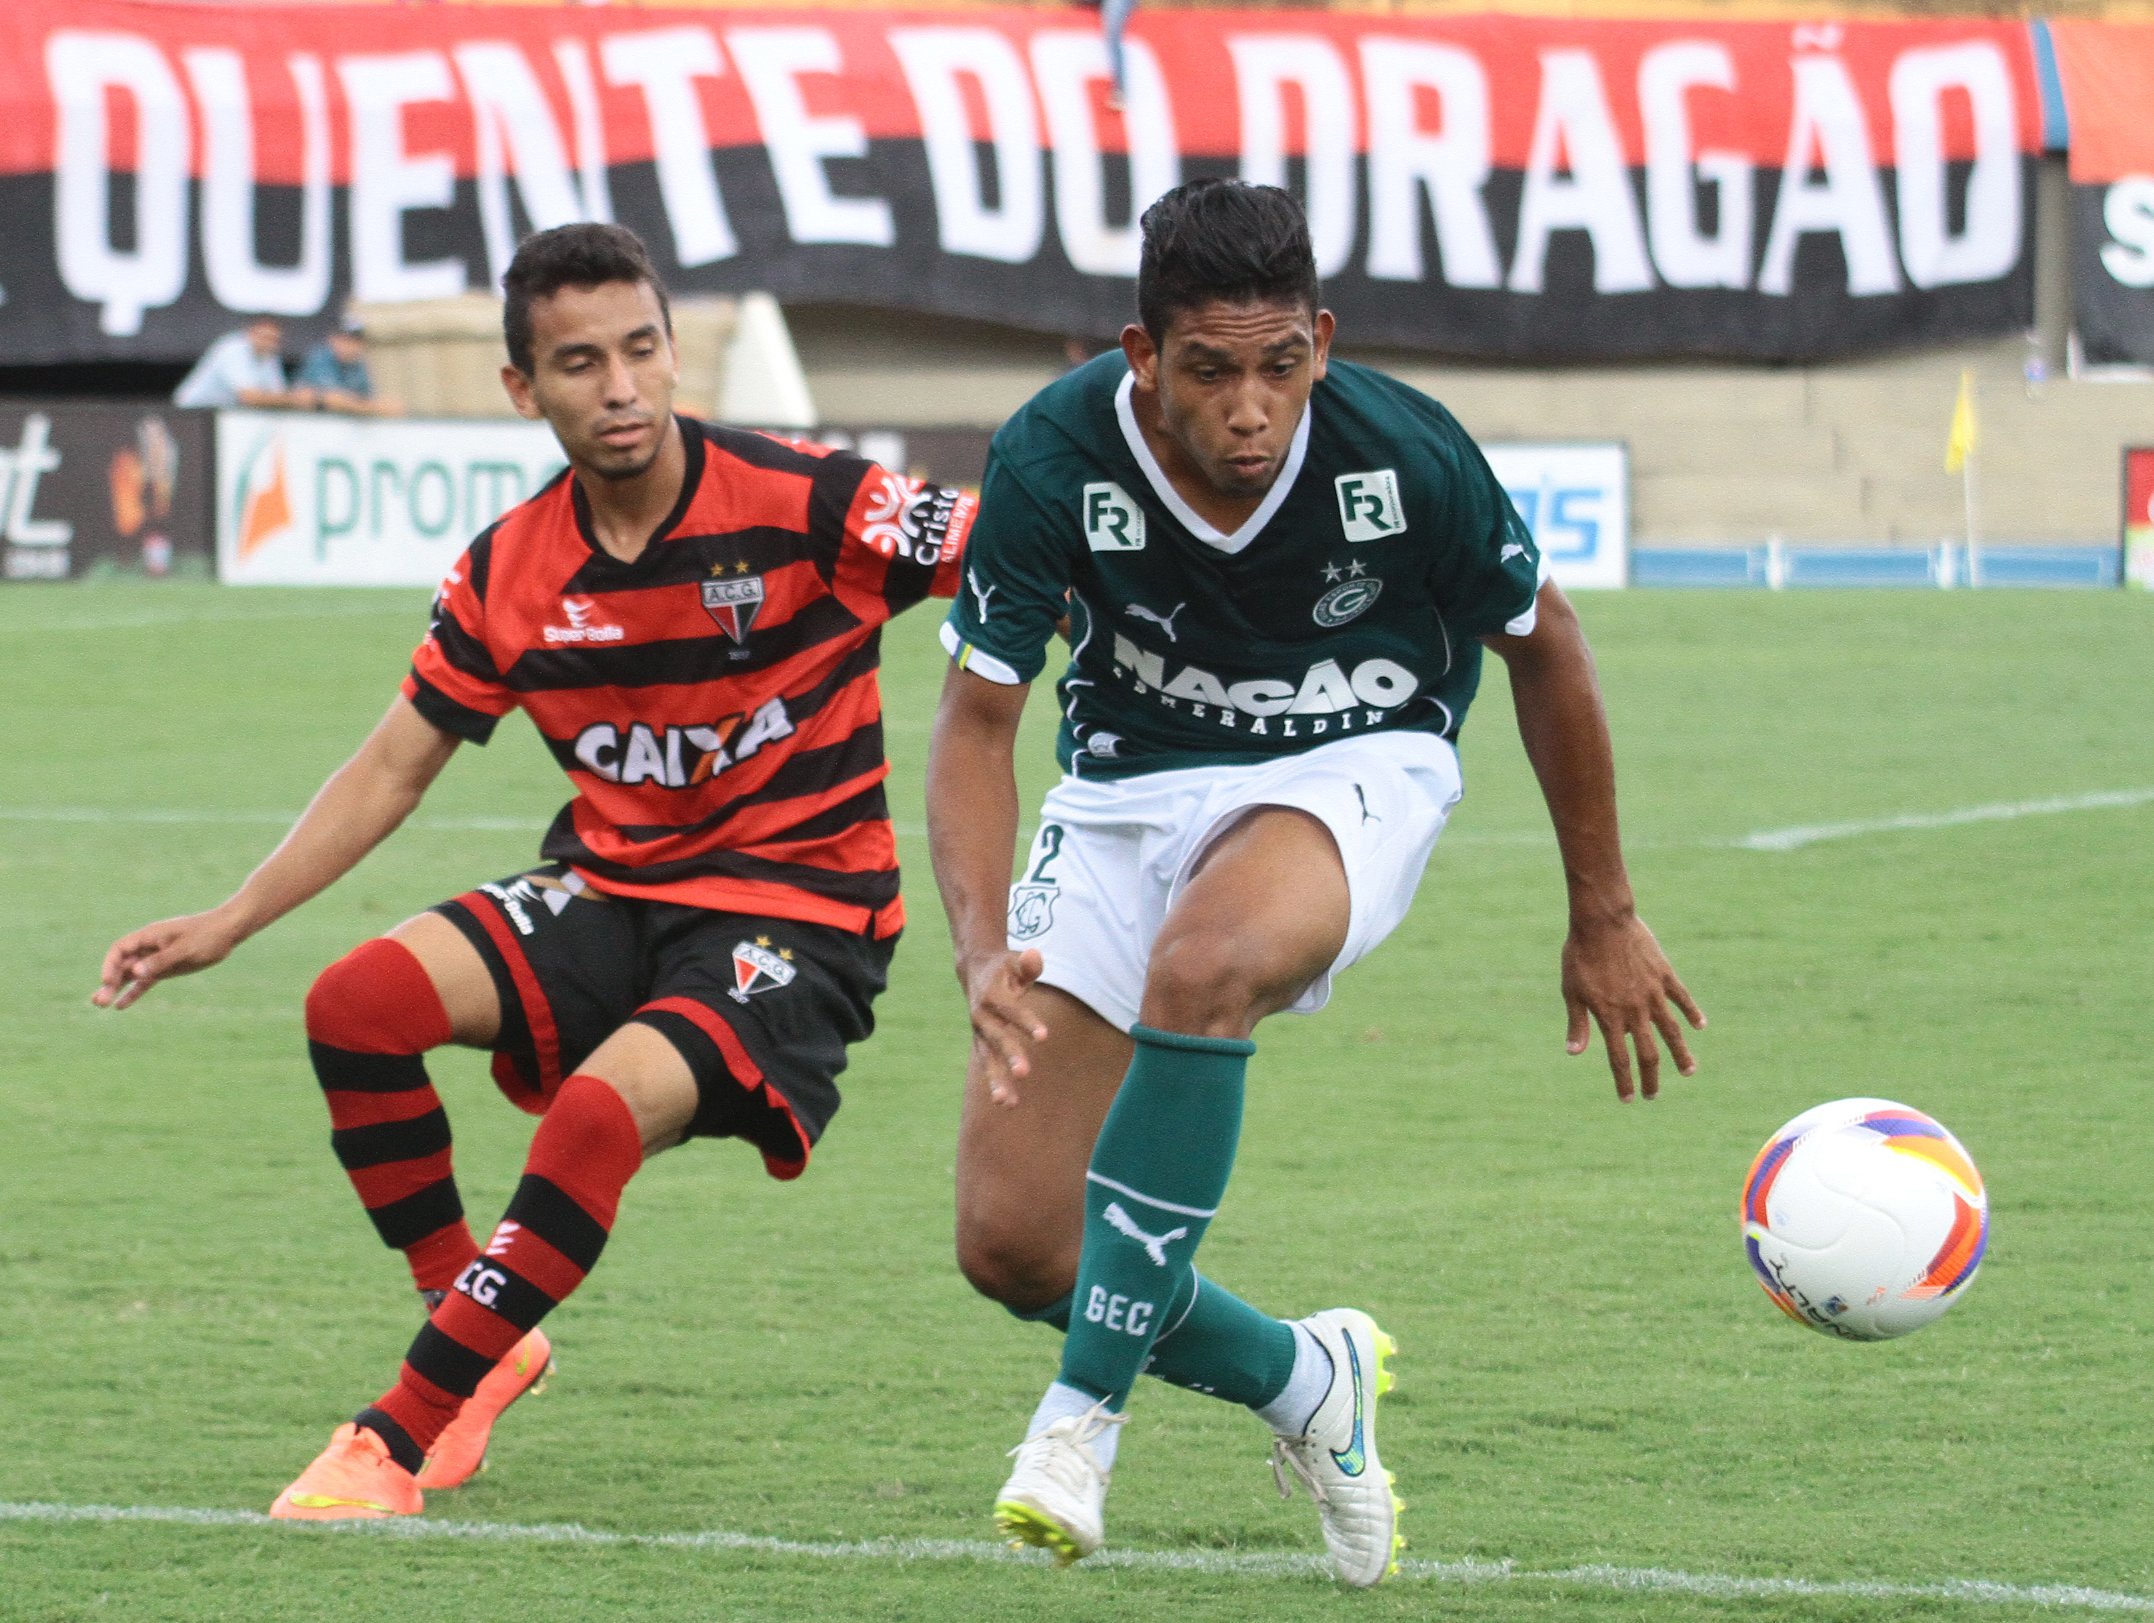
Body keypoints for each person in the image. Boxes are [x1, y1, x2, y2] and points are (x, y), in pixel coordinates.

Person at [95, 222, 974, 1521]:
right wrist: (233, 916)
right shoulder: (511, 570)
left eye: (640, 350)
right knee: (356, 1006)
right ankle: (488, 1331)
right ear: (524, 388)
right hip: (618, 888)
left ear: (675, 356)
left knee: (594, 1116)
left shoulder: (812, 500)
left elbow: (1017, 552)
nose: (618, 386)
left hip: (802, 906)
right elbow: (393, 765)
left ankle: (395, 1435)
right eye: (578, 362)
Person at [925, 179, 1704, 1587]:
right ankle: (1304, 1376)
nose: (1249, 407)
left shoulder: (1402, 451)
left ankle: (1076, 1419)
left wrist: (1601, 909)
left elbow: (1548, 644)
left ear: (1322, 343)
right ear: (1140, 355)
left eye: (1280, 365)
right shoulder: (1049, 458)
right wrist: (981, 949)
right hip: (1118, 796)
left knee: (1207, 962)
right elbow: (978, 722)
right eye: (1210, 370)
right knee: (1016, 1243)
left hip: (1354, 758)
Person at [173, 316, 317, 410]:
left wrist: (294, 398)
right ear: (250, 333)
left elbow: (276, 394)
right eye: (264, 337)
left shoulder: (269, 356)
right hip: (192, 415)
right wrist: (294, 399)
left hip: (222, 416)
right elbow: (248, 396)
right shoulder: (232, 349)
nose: (268, 343)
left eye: (274, 339)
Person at [298, 311, 401, 416]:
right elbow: (334, 400)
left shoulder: (358, 364)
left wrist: (372, 405)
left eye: (354, 341)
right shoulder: (320, 358)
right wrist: (373, 407)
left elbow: (368, 396)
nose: (349, 346)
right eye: (344, 340)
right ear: (332, 339)